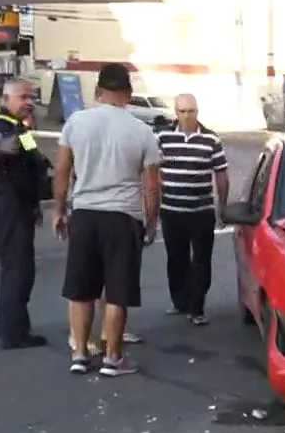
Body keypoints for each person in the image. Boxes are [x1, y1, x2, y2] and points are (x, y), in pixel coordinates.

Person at [52, 63, 162, 377]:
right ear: (128, 94)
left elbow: (62, 171)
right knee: (117, 292)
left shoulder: (76, 122)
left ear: (98, 91)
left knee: (81, 289)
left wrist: (59, 210)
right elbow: (152, 186)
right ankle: (113, 358)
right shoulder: (142, 131)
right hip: (123, 218)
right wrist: (151, 222)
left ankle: (80, 352)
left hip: (85, 215)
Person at [0, 78, 52, 349]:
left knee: (22, 269)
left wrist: (36, 200)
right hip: (8, 205)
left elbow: (33, 159)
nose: (29, 102)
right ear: (6, 98)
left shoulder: (18, 127)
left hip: (22, 204)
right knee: (17, 270)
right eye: (23, 97)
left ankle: (8, 324)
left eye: (31, 97)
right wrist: (13, 139)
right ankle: (13, 333)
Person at [156, 93, 228, 326]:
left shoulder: (211, 140)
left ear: (198, 112)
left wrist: (222, 206)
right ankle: (180, 302)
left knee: (201, 260)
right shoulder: (163, 137)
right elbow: (154, 170)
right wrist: (154, 201)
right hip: (171, 210)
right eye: (182, 111)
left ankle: (197, 308)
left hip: (201, 211)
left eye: (191, 111)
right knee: (176, 259)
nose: (187, 116)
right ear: (175, 113)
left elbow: (221, 175)